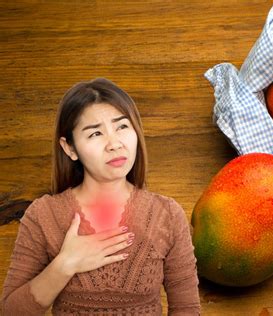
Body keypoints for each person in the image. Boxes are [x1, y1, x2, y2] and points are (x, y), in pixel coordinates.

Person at [1, 78, 201, 315]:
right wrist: (65, 264)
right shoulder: (43, 216)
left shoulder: (167, 214)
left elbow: (186, 309)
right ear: (69, 148)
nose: (114, 144)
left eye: (122, 127)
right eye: (95, 133)